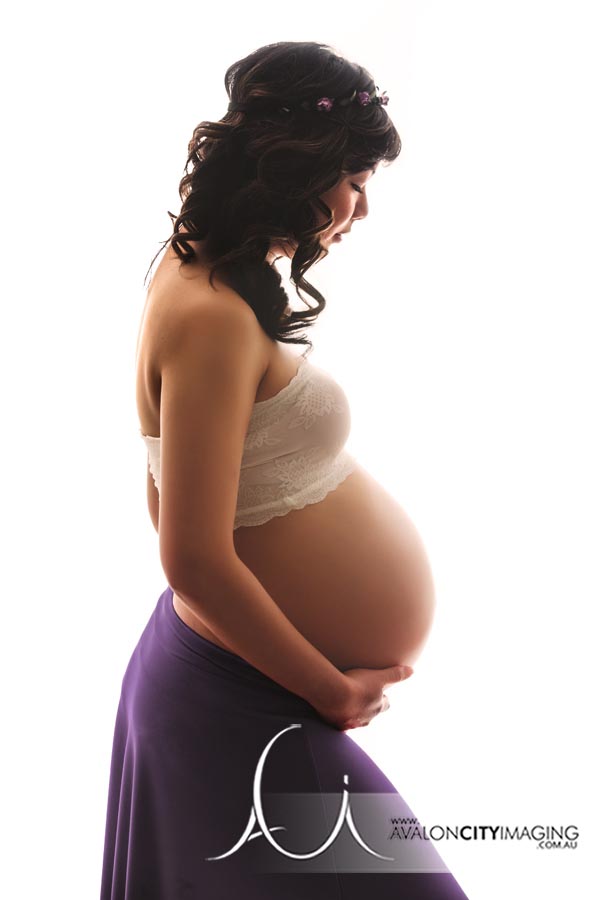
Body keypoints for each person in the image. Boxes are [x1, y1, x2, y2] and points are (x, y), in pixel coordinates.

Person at [100, 41, 471, 899]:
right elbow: (189, 554)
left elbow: (165, 489)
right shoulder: (210, 313)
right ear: (296, 166)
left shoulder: (200, 275)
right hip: (243, 704)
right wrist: (332, 693)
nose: (362, 208)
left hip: (234, 683)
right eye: (355, 179)